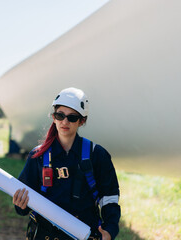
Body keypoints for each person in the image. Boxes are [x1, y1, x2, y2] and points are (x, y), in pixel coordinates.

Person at [13, 87, 121, 240]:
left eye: (72, 117)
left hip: (83, 235)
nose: (64, 121)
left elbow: (109, 198)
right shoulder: (38, 156)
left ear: (82, 121)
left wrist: (110, 230)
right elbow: (22, 204)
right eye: (60, 115)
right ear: (53, 117)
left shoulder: (97, 155)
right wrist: (20, 205)